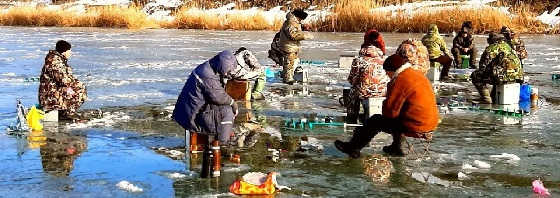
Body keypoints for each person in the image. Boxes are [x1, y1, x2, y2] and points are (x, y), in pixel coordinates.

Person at [335, 54, 439, 158]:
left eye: (386, 72)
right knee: (399, 115)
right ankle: (396, 147)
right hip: (430, 123)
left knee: (375, 121)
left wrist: (388, 96)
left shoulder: (401, 80)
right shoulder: (416, 74)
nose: (386, 75)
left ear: (392, 70)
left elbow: (389, 112)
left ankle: (353, 148)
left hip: (415, 125)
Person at [172, 50, 239, 143]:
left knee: (223, 107)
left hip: (188, 111)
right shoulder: (207, 74)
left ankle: (223, 135)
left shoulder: (208, 67)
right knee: (227, 111)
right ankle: (224, 143)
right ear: (223, 65)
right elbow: (218, 97)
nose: (228, 73)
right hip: (193, 117)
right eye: (228, 70)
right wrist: (233, 103)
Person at [345, 30, 390, 123]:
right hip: (384, 93)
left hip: (366, 93)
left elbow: (352, 80)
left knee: (352, 91)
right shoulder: (386, 59)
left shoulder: (359, 60)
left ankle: (351, 118)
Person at [39, 40, 87, 120]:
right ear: (64, 51)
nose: (70, 53)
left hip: (53, 92)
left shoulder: (57, 60)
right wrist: (74, 85)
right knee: (80, 89)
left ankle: (64, 111)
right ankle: (67, 113)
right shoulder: (55, 61)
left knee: (77, 87)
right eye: (69, 51)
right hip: (50, 96)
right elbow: (63, 79)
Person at [470, 33, 523, 103]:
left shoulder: (494, 47)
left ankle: (486, 99)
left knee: (476, 75)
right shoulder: (509, 47)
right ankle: (494, 97)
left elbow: (483, 65)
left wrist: (485, 71)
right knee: (497, 72)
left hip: (504, 77)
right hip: (518, 78)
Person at [275, 9, 313, 84]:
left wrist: (303, 27)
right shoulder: (291, 22)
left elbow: (295, 29)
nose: (301, 21)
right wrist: (305, 35)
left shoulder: (294, 22)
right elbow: (293, 35)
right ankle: (287, 79)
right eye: (300, 19)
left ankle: (286, 75)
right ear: (297, 17)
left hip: (292, 46)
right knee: (289, 62)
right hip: (288, 46)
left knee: (293, 62)